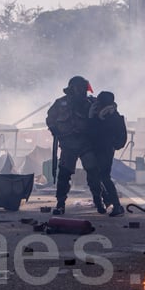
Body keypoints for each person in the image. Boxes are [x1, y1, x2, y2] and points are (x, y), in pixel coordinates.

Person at [46, 76, 94, 215]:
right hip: (68, 145)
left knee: (93, 173)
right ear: (73, 88)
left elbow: (104, 109)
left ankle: (99, 199)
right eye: (81, 89)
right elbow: (50, 118)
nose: (83, 92)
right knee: (64, 175)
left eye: (84, 89)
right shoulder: (60, 103)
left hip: (86, 144)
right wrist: (53, 128)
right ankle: (60, 204)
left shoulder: (90, 103)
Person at [86, 91, 127, 217]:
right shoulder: (102, 113)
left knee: (103, 177)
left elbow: (102, 131)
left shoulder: (111, 116)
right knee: (96, 176)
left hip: (104, 150)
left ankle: (116, 205)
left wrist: (93, 118)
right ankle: (107, 200)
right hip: (97, 149)